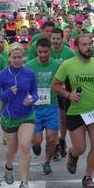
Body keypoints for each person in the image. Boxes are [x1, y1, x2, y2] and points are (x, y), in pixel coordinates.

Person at [52, 30, 94, 188]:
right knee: (80, 148)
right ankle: (72, 154)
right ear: (76, 47)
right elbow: (55, 85)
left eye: (90, 44)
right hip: (75, 112)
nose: (88, 47)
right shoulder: (68, 64)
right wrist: (68, 94)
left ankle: (88, 177)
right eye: (84, 45)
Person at [0, 44, 38, 188]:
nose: (17, 60)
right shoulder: (3, 75)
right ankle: (9, 166)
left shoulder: (30, 74)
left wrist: (32, 99)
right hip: (9, 117)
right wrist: (7, 93)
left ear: (23, 57)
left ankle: (24, 182)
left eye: (20, 57)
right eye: (14, 57)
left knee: (25, 146)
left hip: (27, 115)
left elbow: (35, 92)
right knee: (11, 149)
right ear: (9, 58)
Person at [25, 38, 62, 176]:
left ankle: (47, 162)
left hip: (51, 106)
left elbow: (62, 83)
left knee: (52, 138)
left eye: (45, 52)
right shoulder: (29, 66)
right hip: (35, 108)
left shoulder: (57, 65)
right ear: (36, 51)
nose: (43, 55)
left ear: (50, 50)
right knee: (37, 139)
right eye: (40, 52)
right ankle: (36, 144)